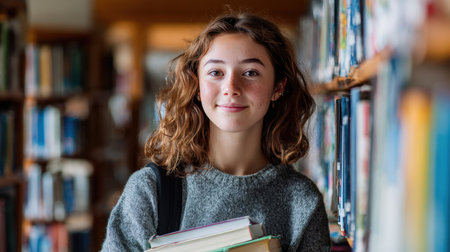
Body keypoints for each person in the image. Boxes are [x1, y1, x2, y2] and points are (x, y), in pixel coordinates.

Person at [101, 12, 331, 252]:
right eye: (216, 73)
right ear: (197, 86)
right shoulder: (150, 191)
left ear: (278, 87)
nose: (231, 87)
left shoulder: (302, 201)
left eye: (250, 72)